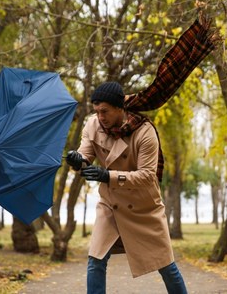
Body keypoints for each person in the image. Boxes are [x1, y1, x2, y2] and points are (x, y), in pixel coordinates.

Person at [66, 81, 187, 294]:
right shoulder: (92, 125)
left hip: (143, 208)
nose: (100, 116)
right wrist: (78, 160)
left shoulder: (144, 132)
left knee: (165, 265)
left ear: (120, 108)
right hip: (110, 205)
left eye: (105, 111)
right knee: (96, 259)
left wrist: (107, 175)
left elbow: (148, 176)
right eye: (96, 111)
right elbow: (85, 154)